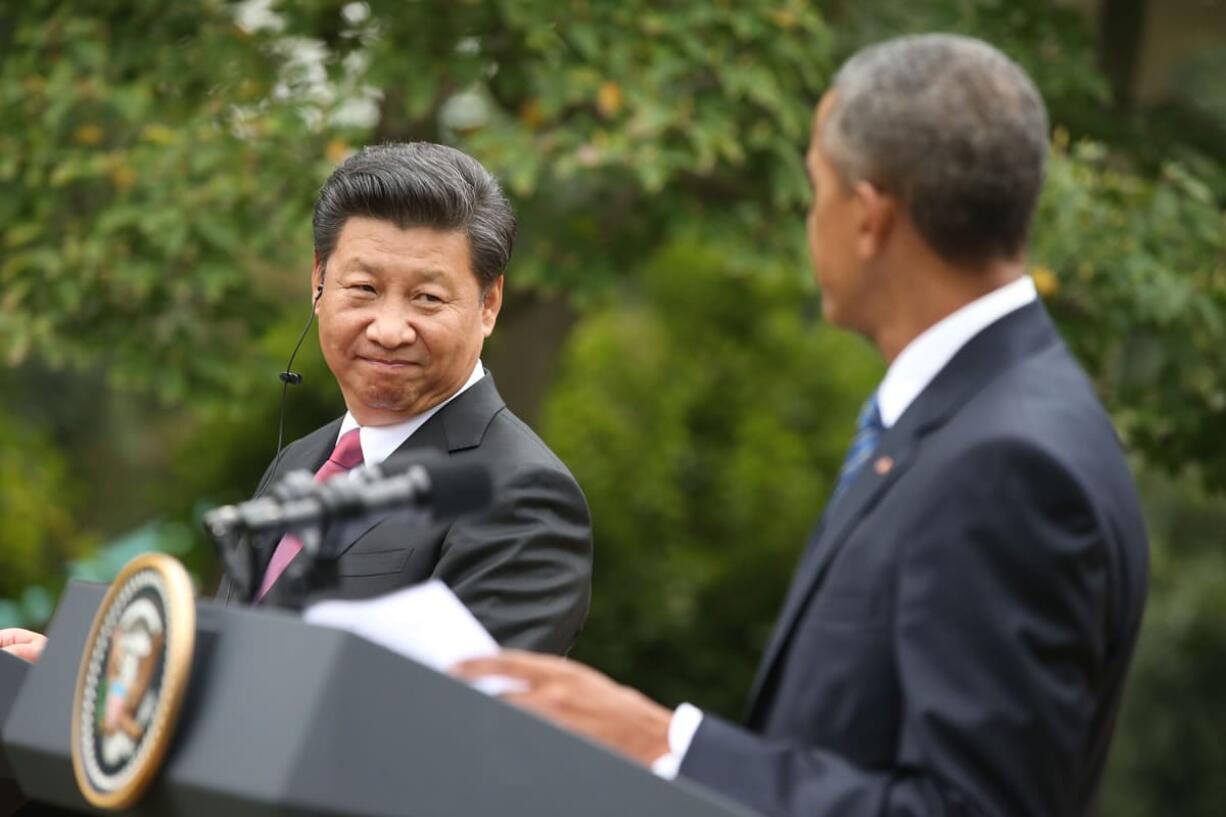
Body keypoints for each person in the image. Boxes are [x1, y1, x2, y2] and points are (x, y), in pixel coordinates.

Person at [456, 34, 1148, 817]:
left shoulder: (1008, 461)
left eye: (817, 187)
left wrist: (666, 744)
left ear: (868, 217)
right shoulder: (979, 413)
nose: (806, 214)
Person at [3, 142, 593, 661]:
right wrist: (92, 676)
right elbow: (233, 664)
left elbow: (446, 729)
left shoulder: (523, 495)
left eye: (427, 298)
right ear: (318, 284)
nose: (389, 328)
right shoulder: (300, 463)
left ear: (489, 305)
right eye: (363, 289)